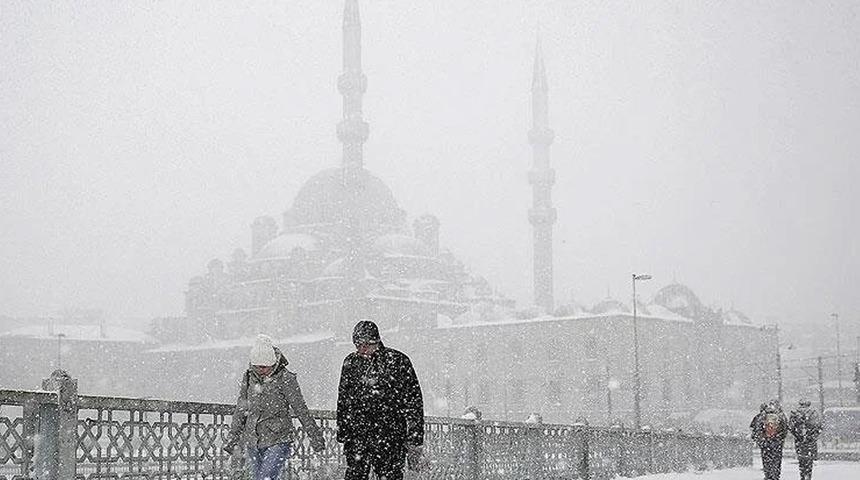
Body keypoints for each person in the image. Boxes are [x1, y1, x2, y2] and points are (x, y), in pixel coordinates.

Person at [224, 334, 325, 480]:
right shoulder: (248, 377)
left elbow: (300, 409)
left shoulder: (286, 379)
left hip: (278, 439)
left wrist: (315, 436)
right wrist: (232, 438)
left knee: (265, 478)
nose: (261, 370)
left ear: (273, 362)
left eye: (265, 367)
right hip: (253, 441)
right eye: (257, 366)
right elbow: (241, 409)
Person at [336, 320, 425, 480]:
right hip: (359, 436)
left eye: (365, 345)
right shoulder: (351, 363)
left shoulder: (397, 361)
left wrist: (415, 437)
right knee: (355, 475)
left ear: (376, 341)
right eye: (358, 345)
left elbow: (414, 401)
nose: (361, 350)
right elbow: (344, 399)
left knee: (389, 475)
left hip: (390, 437)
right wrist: (343, 432)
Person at [749, 400, 788, 480]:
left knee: (766, 459)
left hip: (765, 442)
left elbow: (757, 429)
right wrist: (780, 439)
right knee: (777, 459)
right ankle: (776, 475)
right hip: (777, 442)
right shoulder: (780, 416)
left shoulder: (762, 415)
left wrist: (761, 440)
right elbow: (785, 429)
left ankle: (768, 474)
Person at [789, 400, 823, 480]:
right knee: (809, 460)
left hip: (799, 441)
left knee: (801, 460)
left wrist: (798, 436)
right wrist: (813, 436)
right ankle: (808, 475)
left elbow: (790, 427)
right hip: (810, 441)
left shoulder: (795, 413)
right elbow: (819, 426)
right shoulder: (814, 413)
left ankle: (802, 475)